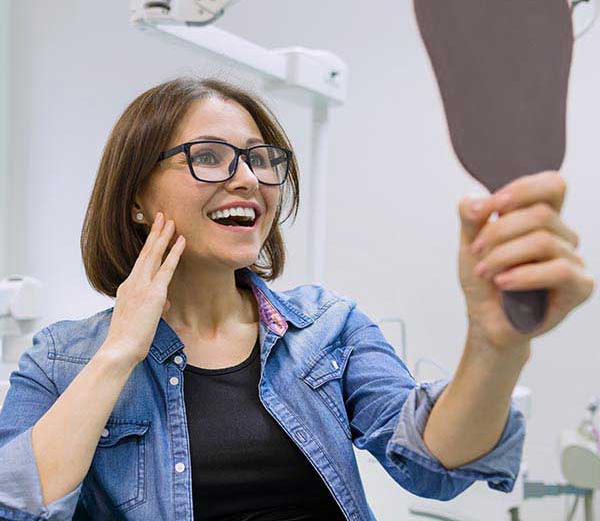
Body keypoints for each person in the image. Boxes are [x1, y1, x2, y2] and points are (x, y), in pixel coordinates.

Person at [0, 76, 594, 521]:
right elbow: (17, 507)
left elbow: (434, 465)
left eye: (261, 159)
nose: (248, 178)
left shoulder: (328, 327)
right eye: (208, 156)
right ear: (134, 196)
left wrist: (495, 346)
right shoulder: (61, 361)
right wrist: (119, 351)